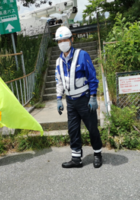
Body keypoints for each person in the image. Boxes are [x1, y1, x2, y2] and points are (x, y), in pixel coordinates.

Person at [54, 26, 103, 168]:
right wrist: (58, 98)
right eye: (59, 40)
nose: (62, 43)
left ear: (71, 39)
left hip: (85, 99)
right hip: (70, 101)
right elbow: (59, 81)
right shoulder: (58, 61)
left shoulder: (82, 55)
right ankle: (76, 159)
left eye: (65, 39)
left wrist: (93, 96)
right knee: (73, 129)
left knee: (92, 127)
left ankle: (97, 154)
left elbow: (92, 77)